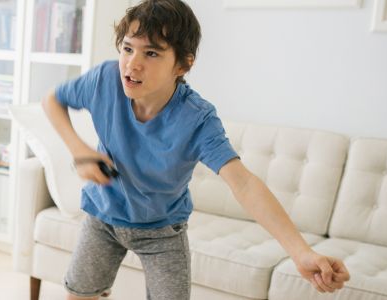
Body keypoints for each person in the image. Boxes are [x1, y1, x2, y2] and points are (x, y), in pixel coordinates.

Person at [42, 0, 351, 299]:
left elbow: (243, 183)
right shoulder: (104, 80)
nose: (133, 63)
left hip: (162, 231)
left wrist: (301, 252)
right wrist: (79, 150)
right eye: (127, 48)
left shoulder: (197, 118)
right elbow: (52, 100)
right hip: (103, 217)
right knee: (79, 295)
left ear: (183, 64)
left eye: (151, 53)